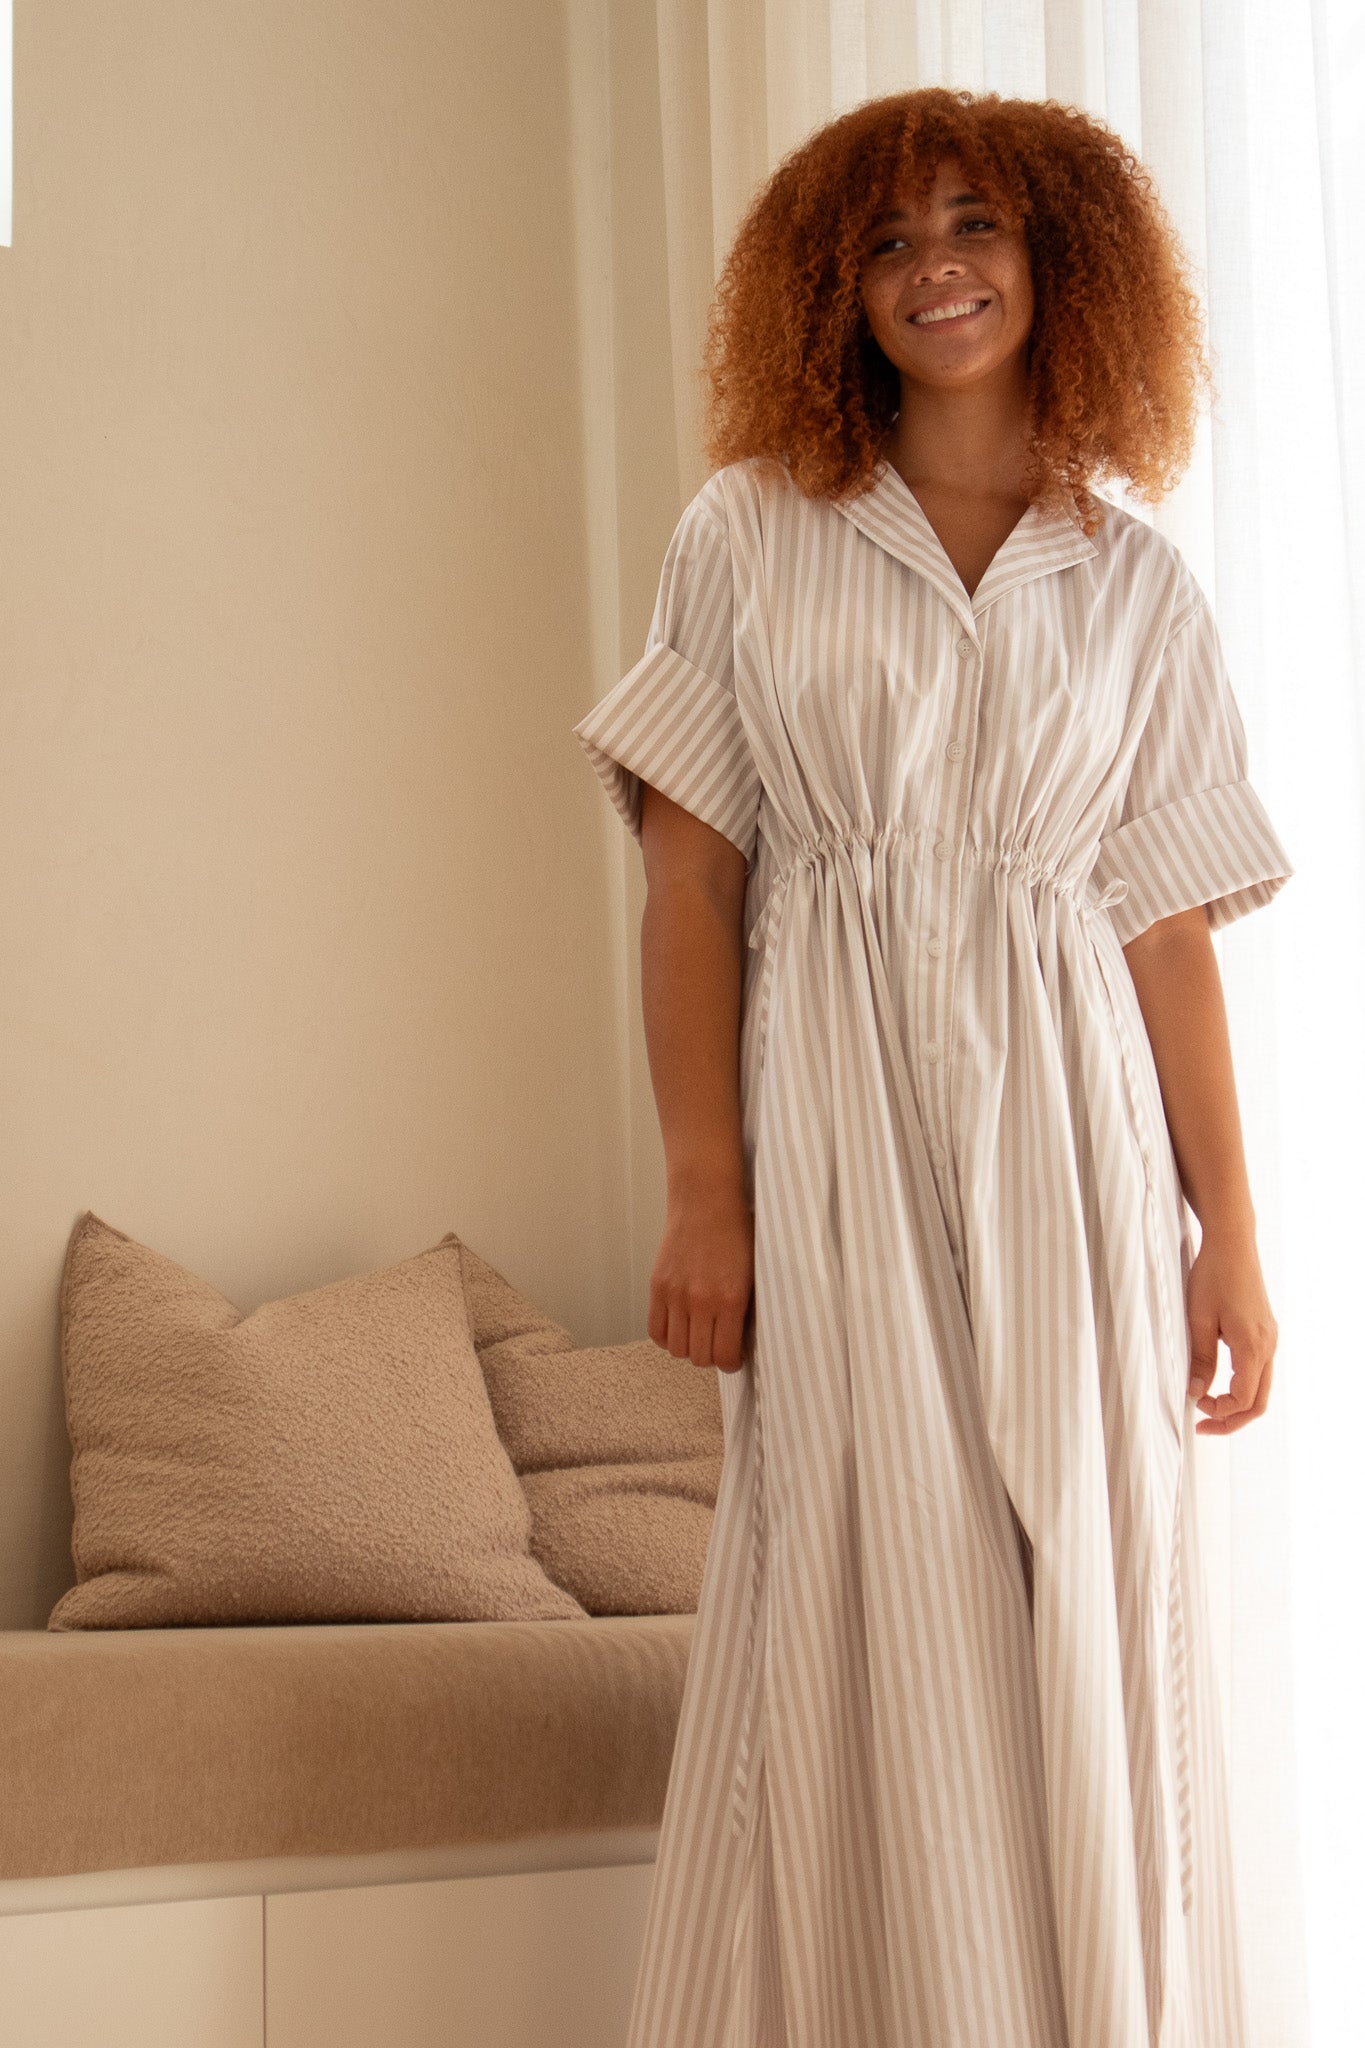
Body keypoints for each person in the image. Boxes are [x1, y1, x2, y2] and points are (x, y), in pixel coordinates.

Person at [573, 83, 1294, 2048]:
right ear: (834, 284)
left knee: (1086, 1576)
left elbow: (1163, 937)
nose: (933, 269)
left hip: (1073, 1138)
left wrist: (1227, 1237)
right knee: (854, 1566)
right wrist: (703, 1189)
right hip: (832, 1121)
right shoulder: (747, 532)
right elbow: (689, 883)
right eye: (886, 240)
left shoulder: (1134, 586)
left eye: (974, 225)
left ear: (1059, 260)